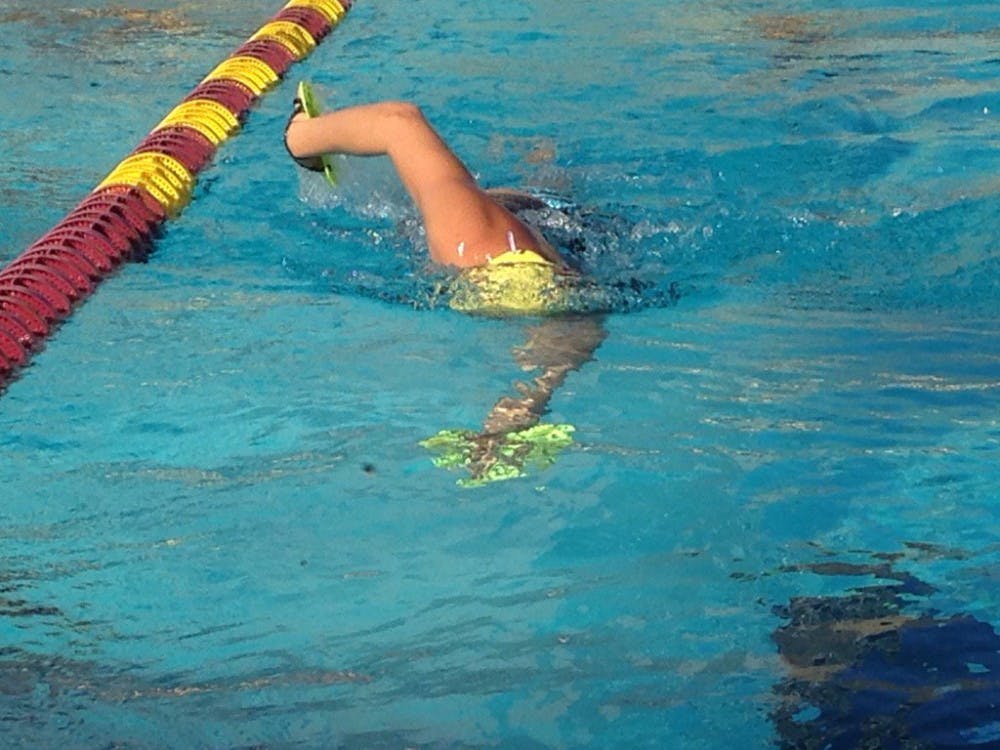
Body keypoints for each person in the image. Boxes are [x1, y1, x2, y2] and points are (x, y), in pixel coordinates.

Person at [283, 86, 606, 484]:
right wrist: (526, 404)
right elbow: (577, 323)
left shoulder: (474, 229)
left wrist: (301, 133)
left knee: (405, 128)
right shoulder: (494, 230)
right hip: (533, 282)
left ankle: (299, 139)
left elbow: (399, 120)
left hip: (509, 268)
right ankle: (517, 413)